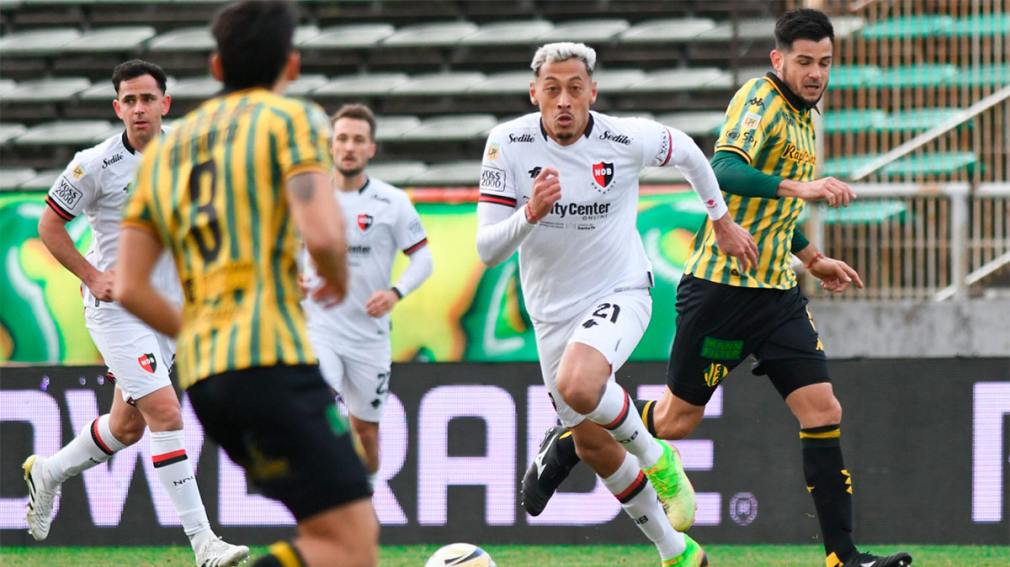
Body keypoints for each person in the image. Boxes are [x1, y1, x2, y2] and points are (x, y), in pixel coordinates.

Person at [521, 10, 913, 567]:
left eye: (825, 63)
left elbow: (767, 212)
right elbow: (723, 168)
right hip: (721, 290)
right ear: (778, 59)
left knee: (823, 409)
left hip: (777, 294)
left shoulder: (805, 116)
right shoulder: (760, 100)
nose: (815, 73)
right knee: (676, 421)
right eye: (804, 61)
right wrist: (802, 187)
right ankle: (571, 436)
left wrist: (812, 258)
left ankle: (843, 557)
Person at [113, 2, 377, 566]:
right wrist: (335, 275)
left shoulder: (166, 152)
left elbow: (130, 285)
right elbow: (323, 235)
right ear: (292, 64)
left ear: (216, 66)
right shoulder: (289, 119)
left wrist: (200, 331)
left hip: (206, 377)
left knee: (329, 535)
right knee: (353, 542)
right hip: (270, 360)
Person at [477, 41, 758, 566]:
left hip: (621, 290)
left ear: (593, 92)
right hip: (550, 314)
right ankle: (677, 551)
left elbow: (689, 152)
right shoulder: (507, 144)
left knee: (580, 384)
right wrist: (530, 214)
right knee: (593, 445)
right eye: (553, 89)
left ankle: (657, 457)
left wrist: (720, 220)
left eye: (575, 88)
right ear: (534, 93)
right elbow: (488, 250)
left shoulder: (624, 138)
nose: (564, 100)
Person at [25, 59, 248, 567]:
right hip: (118, 311)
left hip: (168, 312)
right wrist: (90, 275)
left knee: (127, 427)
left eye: (148, 98)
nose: (140, 108)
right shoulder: (93, 165)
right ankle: (204, 544)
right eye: (130, 100)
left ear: (165, 103)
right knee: (167, 413)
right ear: (117, 107)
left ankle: (49, 471)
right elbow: (49, 226)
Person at [301, 103, 433, 482]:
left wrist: (395, 293)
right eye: (342, 139)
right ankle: (328, 497)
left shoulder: (392, 202)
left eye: (358, 140)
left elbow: (423, 260)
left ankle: (366, 498)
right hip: (320, 328)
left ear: (371, 148)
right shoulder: (308, 198)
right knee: (318, 404)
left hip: (368, 338)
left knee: (366, 436)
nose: (349, 147)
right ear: (330, 145)